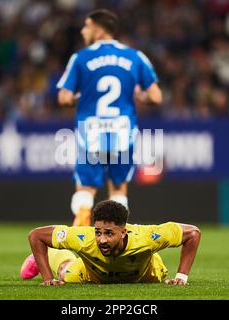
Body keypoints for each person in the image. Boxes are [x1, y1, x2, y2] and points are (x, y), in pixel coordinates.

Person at [56, 9, 163, 226]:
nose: (82, 30)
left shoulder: (80, 58)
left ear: (98, 28)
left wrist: (81, 95)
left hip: (91, 132)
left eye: (87, 25)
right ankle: (117, 239)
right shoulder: (135, 57)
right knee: (118, 188)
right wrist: (140, 95)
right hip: (122, 132)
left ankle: (82, 234)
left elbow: (64, 98)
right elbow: (156, 97)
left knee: (86, 188)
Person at [20, 200, 201, 286]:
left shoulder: (147, 237)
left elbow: (193, 233)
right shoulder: (84, 238)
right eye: (98, 232)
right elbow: (36, 235)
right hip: (92, 275)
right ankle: (44, 257)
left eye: (109, 233)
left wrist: (181, 277)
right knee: (64, 271)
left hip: (146, 274)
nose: (102, 239)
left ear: (123, 232)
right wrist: (48, 279)